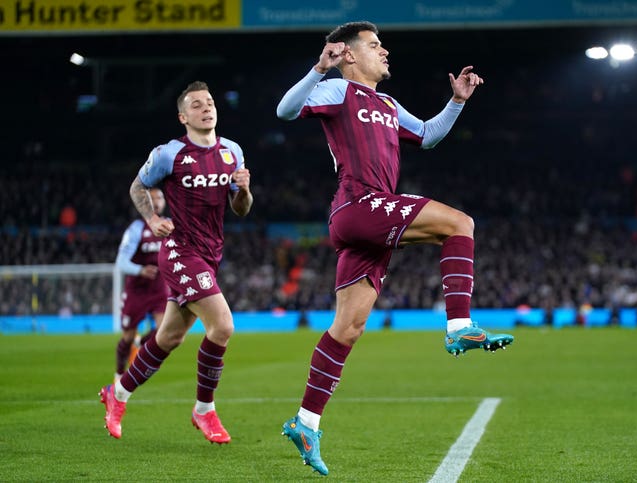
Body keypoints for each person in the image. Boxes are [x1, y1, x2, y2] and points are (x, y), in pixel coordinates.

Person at [276, 21, 514, 475]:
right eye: (374, 45)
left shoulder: (386, 102)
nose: (384, 51)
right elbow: (286, 111)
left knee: (348, 327)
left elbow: (427, 135)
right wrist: (316, 69)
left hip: (366, 221)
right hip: (360, 204)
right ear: (347, 55)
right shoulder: (335, 91)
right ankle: (459, 324)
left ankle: (306, 422)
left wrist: (457, 102)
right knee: (460, 223)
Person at [99, 81, 253, 444]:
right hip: (179, 252)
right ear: (184, 116)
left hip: (211, 253)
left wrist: (244, 190)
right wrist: (152, 219)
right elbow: (137, 186)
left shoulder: (232, 152)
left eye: (210, 102)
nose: (206, 108)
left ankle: (117, 394)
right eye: (197, 105)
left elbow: (241, 209)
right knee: (223, 326)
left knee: (169, 337)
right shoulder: (169, 154)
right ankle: (204, 410)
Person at [113, 187, 169, 383]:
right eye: (151, 198)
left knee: (165, 333)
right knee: (126, 338)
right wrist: (140, 270)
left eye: (159, 197)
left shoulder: (171, 226)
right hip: (136, 290)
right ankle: (119, 373)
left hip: (160, 290)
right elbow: (121, 262)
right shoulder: (137, 228)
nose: (156, 202)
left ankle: (142, 345)